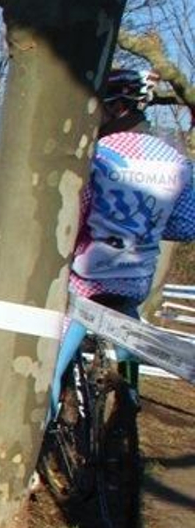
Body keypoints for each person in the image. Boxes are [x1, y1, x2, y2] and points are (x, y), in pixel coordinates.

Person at [49, 67, 195, 415]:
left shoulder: (95, 156)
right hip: (135, 281)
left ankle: (42, 431)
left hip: (86, 282)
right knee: (129, 340)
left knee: (49, 368)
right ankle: (129, 396)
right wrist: (146, 226)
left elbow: (73, 218)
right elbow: (186, 227)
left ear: (115, 109)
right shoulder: (176, 160)